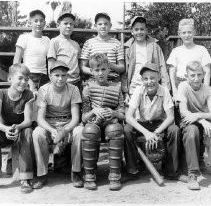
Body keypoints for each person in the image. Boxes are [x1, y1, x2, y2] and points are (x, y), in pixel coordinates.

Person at [124, 62, 181, 180]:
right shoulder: (138, 90)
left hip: (159, 124)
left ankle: (171, 171)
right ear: (142, 80)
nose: (149, 81)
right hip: (143, 124)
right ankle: (132, 170)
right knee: (127, 130)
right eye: (146, 78)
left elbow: (170, 117)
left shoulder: (164, 91)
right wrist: (146, 133)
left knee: (174, 130)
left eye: (152, 78)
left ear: (159, 77)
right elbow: (129, 117)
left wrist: (155, 133)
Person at [32, 60, 83, 189]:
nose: (60, 78)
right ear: (50, 76)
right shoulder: (44, 90)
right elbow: (40, 118)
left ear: (67, 76)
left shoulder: (73, 89)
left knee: (80, 132)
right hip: (49, 123)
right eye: (57, 75)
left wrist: (65, 130)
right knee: (37, 133)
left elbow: (76, 117)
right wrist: (51, 130)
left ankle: (76, 172)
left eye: (63, 75)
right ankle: (41, 174)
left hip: (67, 123)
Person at [81, 53, 124, 191]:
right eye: (97, 70)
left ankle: (115, 175)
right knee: (90, 131)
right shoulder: (87, 88)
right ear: (92, 71)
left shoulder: (117, 87)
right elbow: (84, 117)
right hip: (94, 122)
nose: (100, 73)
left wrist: (114, 113)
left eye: (103, 69)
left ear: (109, 70)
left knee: (115, 130)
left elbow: (123, 114)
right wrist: (94, 111)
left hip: (111, 122)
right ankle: (89, 175)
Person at [0, 64, 35, 193]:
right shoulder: (2, 94)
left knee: (28, 132)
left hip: (20, 129)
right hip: (3, 130)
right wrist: (5, 129)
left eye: (26, 79)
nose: (24, 82)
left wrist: (18, 127)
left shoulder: (28, 95)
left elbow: (27, 120)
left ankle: (25, 178)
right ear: (9, 79)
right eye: (20, 78)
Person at [177, 61, 211, 190]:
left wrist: (198, 116)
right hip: (187, 122)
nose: (196, 79)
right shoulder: (183, 86)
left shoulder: (207, 89)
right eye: (192, 75)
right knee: (192, 131)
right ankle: (193, 175)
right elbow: (183, 112)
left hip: (201, 120)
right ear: (187, 76)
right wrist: (201, 119)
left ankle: (207, 162)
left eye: (199, 74)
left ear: (203, 75)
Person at [123, 16, 170, 104]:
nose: (139, 32)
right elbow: (125, 73)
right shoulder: (128, 48)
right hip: (134, 86)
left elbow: (162, 68)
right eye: (136, 29)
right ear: (132, 31)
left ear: (146, 31)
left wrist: (166, 88)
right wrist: (125, 92)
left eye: (142, 29)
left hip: (151, 85)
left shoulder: (154, 46)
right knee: (134, 114)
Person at [167, 18, 211, 101]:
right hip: (180, 84)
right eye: (184, 33)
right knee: (182, 108)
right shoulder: (176, 51)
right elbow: (172, 72)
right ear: (179, 34)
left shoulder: (202, 49)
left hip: (197, 84)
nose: (187, 35)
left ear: (194, 33)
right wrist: (175, 91)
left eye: (189, 32)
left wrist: (205, 91)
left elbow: (207, 71)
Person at [80, 12, 125, 84]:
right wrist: (98, 73)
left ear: (110, 25)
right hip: (93, 81)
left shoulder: (117, 43)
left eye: (106, 24)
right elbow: (82, 67)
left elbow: (122, 68)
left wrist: (108, 64)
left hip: (112, 81)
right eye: (100, 24)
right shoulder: (88, 43)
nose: (103, 26)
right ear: (95, 26)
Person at [13, 9, 50, 93]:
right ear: (30, 22)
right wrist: (27, 80)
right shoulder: (24, 37)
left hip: (43, 76)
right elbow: (16, 61)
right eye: (35, 21)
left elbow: (50, 60)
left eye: (41, 21)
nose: (39, 24)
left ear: (44, 23)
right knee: (28, 102)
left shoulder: (47, 40)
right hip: (28, 75)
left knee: (42, 103)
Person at [47, 10, 81, 90]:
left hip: (76, 82)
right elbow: (51, 64)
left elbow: (78, 63)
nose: (68, 26)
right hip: (61, 82)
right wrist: (53, 82)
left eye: (71, 24)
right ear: (59, 25)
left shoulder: (76, 44)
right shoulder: (55, 41)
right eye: (65, 23)